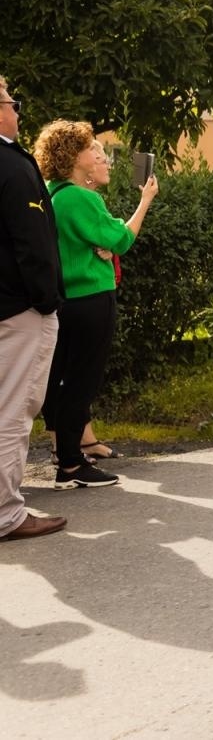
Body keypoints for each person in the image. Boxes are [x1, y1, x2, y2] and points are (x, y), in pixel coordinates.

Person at [34, 123, 158, 489]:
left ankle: (64, 451)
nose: (101, 155)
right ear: (74, 158)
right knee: (81, 382)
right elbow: (120, 239)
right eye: (93, 149)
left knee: (60, 380)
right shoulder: (81, 198)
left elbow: (104, 235)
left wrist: (109, 237)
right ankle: (72, 465)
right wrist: (145, 201)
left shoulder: (55, 193)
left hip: (65, 300)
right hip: (90, 298)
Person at [0, 77, 68, 541]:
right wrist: (46, 301)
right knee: (13, 410)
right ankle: (6, 512)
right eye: (12, 102)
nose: (18, 112)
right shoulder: (11, 164)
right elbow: (33, 242)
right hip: (18, 308)